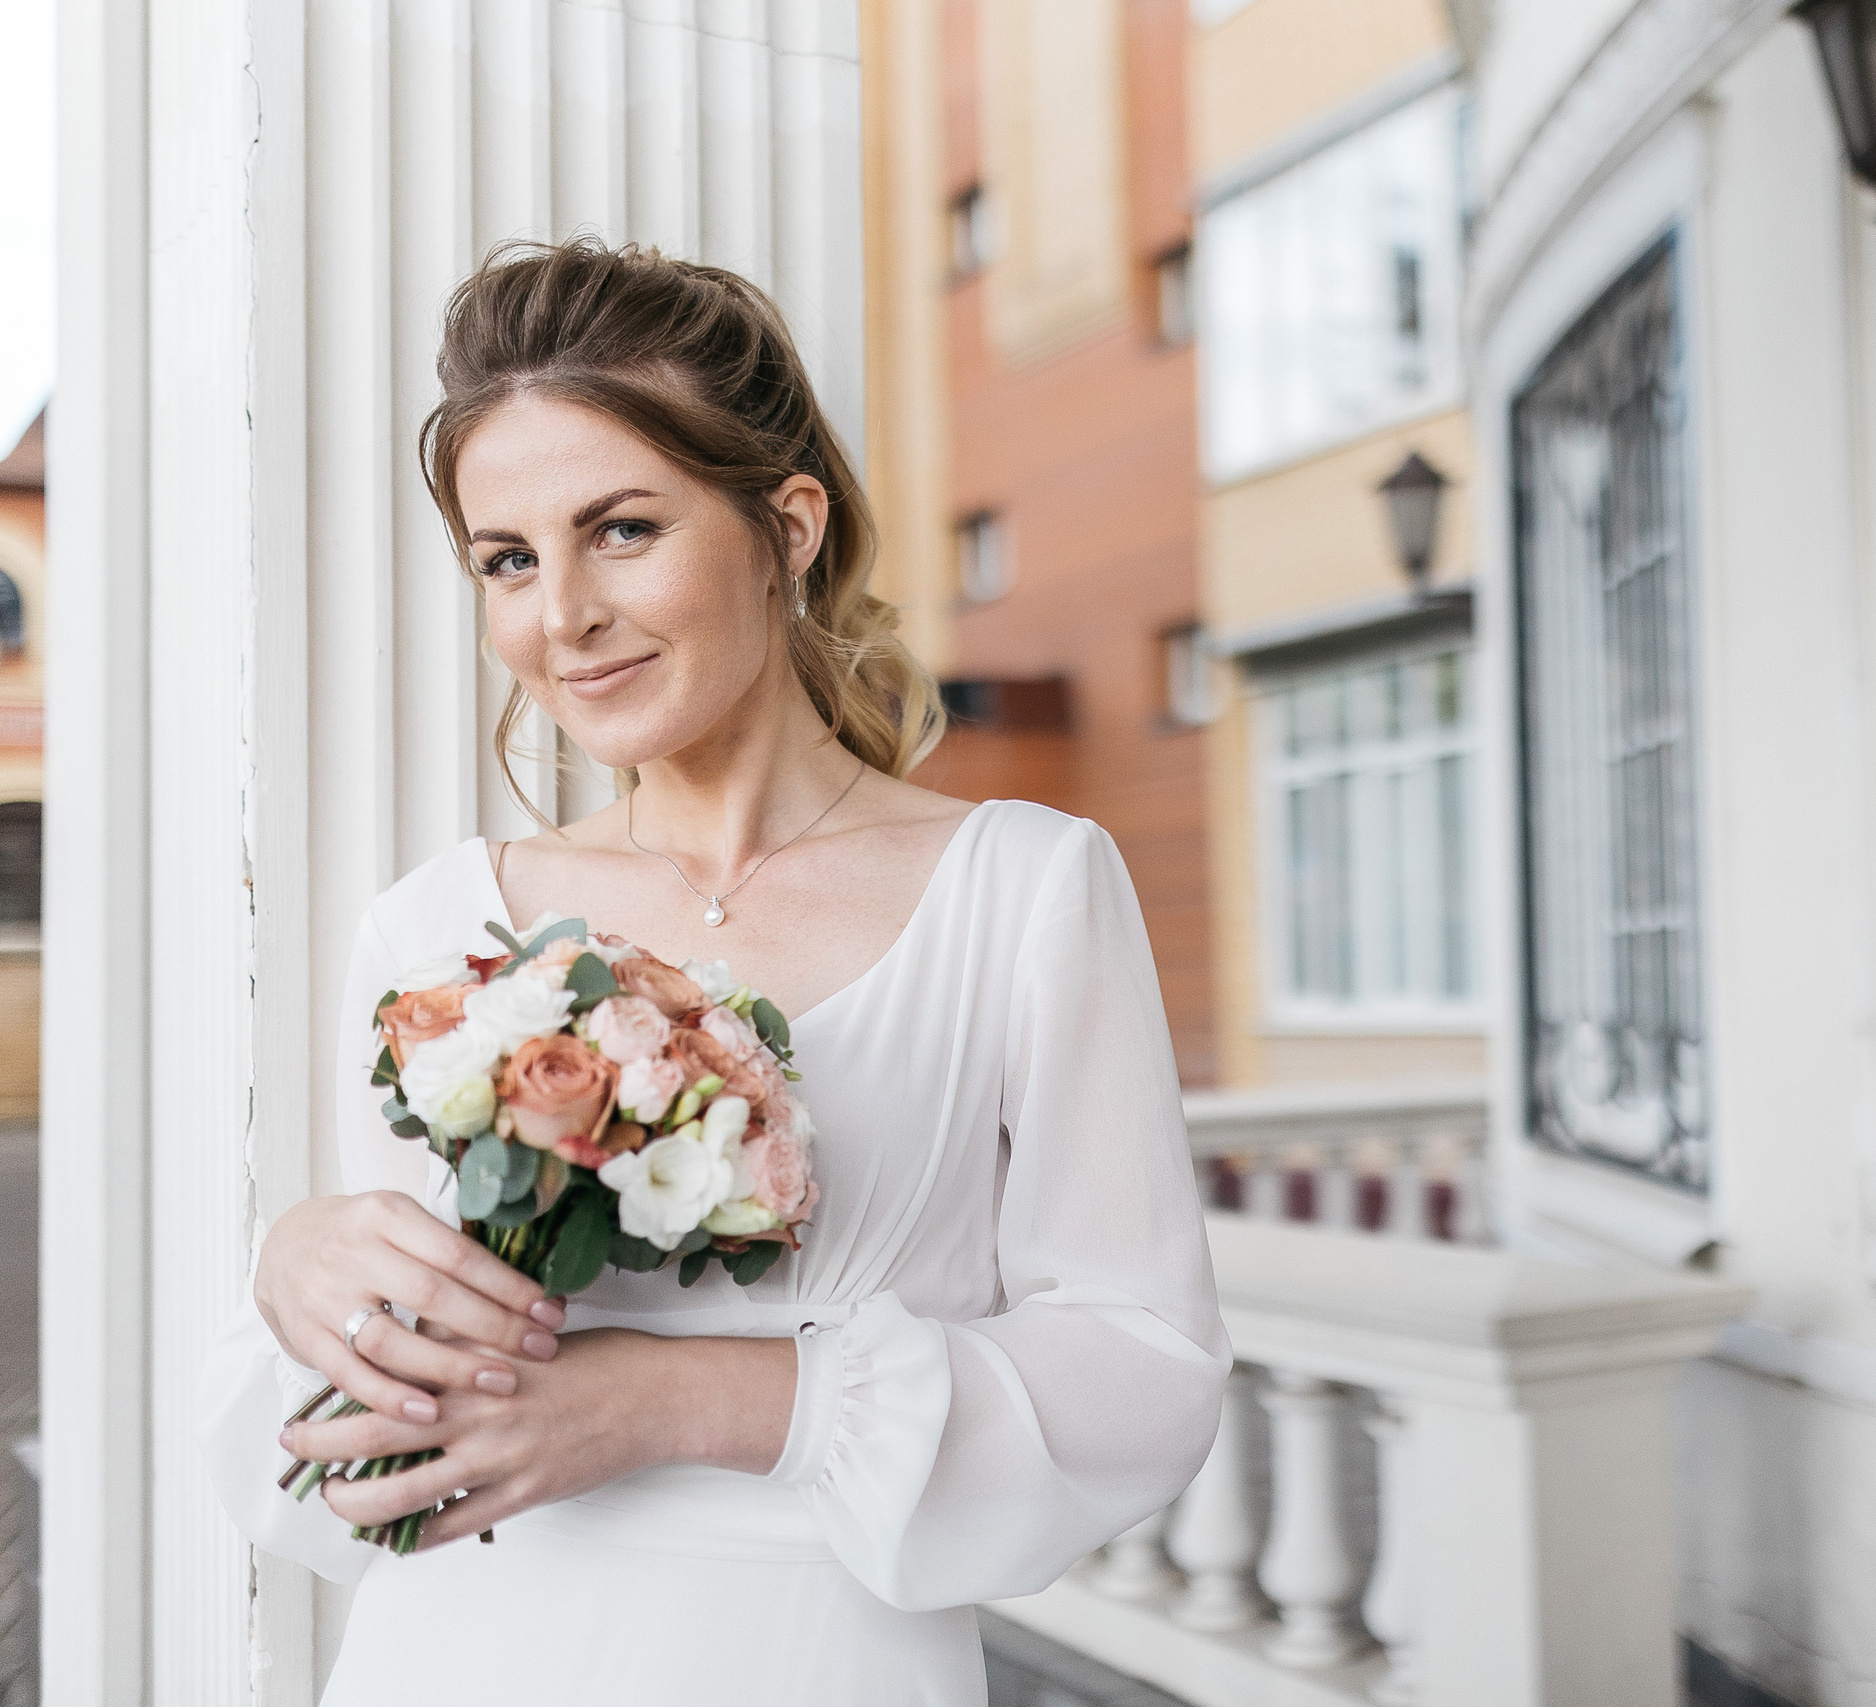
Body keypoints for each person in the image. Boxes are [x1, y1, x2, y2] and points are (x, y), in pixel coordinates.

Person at [198, 238, 1229, 1705]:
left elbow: (1145, 1367)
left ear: (787, 526)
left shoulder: (1026, 888)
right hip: (467, 1643)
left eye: (620, 529)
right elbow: (365, 1436)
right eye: (508, 559)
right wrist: (300, 1270)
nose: (559, 616)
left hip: (819, 1652)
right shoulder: (437, 924)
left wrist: (688, 1397)